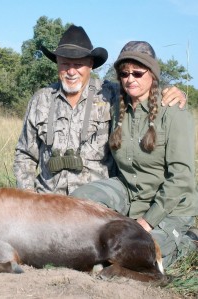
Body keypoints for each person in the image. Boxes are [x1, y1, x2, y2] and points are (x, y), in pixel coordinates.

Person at [13, 25, 187, 196]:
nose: (71, 71)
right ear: (57, 63)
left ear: (91, 65)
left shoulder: (111, 93)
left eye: (79, 64)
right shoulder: (41, 99)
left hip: (97, 203)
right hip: (48, 200)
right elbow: (25, 154)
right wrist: (28, 194)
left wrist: (170, 90)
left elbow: (140, 88)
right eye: (65, 63)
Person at [70, 40, 198, 267]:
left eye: (138, 73)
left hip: (170, 206)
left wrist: (147, 222)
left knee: (136, 254)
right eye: (124, 73)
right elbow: (82, 83)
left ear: (153, 74)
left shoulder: (174, 113)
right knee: (76, 203)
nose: (130, 79)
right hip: (129, 193)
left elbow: (180, 178)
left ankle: (187, 241)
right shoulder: (117, 105)